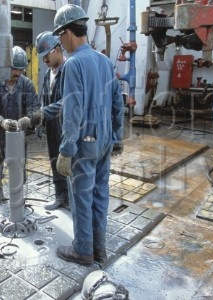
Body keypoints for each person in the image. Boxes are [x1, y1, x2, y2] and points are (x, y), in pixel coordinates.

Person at [52, 4, 124, 266]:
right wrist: (118, 136)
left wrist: (66, 150)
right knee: (100, 195)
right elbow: (118, 101)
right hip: (104, 140)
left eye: (60, 36)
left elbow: (73, 110)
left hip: (84, 144)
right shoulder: (104, 61)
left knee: (81, 197)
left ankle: (83, 250)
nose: (60, 42)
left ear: (69, 32)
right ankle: (99, 248)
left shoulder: (73, 64)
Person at [0, 46, 42, 207]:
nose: (17, 73)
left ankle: (17, 195)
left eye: (21, 70)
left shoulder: (27, 85)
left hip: (17, 136)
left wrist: (27, 119)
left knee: (19, 166)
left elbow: (34, 108)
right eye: (14, 70)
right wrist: (2, 121)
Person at [35, 31, 69, 210]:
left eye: (46, 55)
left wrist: (43, 113)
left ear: (57, 50)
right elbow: (44, 97)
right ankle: (60, 196)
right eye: (42, 57)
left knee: (69, 162)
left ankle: (72, 198)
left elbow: (67, 102)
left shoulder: (69, 69)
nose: (44, 60)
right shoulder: (49, 74)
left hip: (66, 126)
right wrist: (41, 121)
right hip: (52, 125)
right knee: (54, 160)